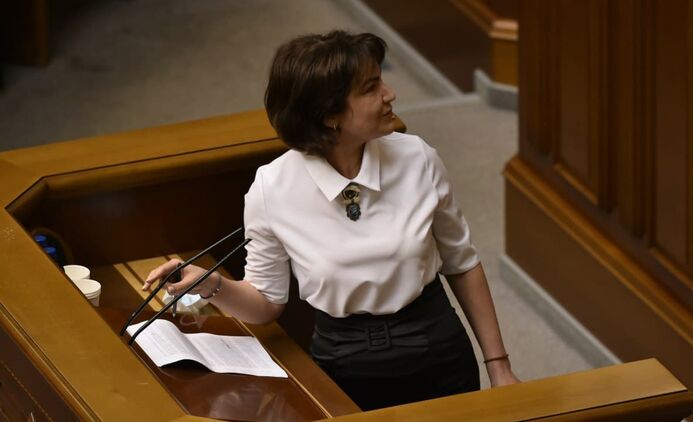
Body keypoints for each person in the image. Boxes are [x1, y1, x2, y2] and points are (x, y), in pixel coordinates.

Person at [144, 30, 519, 411]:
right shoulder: (272, 188)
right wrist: (213, 285)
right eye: (371, 88)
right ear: (329, 116)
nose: (390, 94)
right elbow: (266, 303)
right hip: (345, 366)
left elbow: (462, 262)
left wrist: (499, 366)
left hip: (437, 350)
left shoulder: (417, 158)